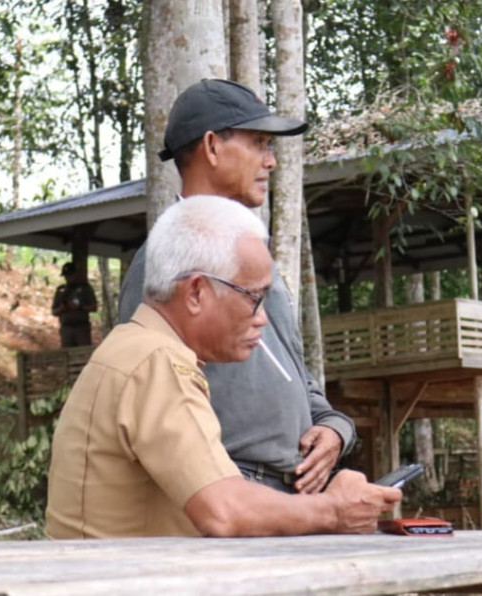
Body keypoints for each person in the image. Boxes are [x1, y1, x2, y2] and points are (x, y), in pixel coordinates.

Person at [46, 196, 402, 538]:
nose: (262, 319)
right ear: (197, 292)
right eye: (253, 298)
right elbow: (224, 510)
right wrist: (335, 509)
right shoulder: (157, 363)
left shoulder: (134, 347)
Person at [118, 79, 352, 495]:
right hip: (231, 491)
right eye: (260, 143)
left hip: (292, 491)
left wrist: (335, 428)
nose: (271, 161)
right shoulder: (164, 262)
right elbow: (148, 397)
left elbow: (294, 374)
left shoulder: (249, 256)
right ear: (211, 147)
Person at [51, 261, 98, 347]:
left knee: (83, 353)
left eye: (70, 275)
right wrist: (62, 308)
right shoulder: (61, 290)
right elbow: (54, 312)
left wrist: (80, 307)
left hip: (81, 328)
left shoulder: (85, 289)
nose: (68, 278)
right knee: (67, 354)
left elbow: (94, 307)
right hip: (66, 328)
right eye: (66, 276)